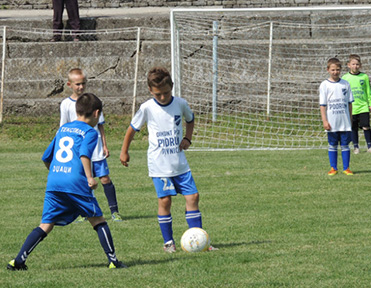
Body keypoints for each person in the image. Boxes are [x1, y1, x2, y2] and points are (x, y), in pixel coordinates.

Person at [7, 93, 127, 270]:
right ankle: (113, 261)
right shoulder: (90, 132)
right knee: (98, 220)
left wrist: (58, 173)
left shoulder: (63, 129)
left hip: (54, 182)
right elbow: (84, 153)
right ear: (96, 113)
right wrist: (89, 178)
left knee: (46, 224)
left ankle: (18, 261)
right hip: (76, 183)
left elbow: (46, 157)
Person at [120, 67, 217, 253]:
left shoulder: (180, 103)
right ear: (150, 91)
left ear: (172, 87)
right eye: (158, 94)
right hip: (159, 165)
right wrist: (124, 151)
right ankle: (168, 243)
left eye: (166, 93)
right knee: (165, 201)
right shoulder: (147, 108)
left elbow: (190, 119)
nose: (163, 97)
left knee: (193, 197)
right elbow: (132, 129)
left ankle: (198, 240)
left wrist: (188, 138)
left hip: (179, 162)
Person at [60, 68, 123, 222]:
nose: (81, 87)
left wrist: (105, 145)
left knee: (105, 179)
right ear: (70, 84)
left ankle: (114, 211)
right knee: (83, 182)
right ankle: (84, 213)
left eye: (83, 84)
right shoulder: (66, 104)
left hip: (96, 149)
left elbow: (100, 125)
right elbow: (63, 127)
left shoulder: (93, 101)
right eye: (77, 84)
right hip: (78, 151)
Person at [319, 58, 354, 176]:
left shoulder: (345, 84)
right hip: (331, 122)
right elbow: (323, 105)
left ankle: (346, 168)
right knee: (332, 144)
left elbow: (349, 104)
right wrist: (324, 121)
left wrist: (350, 119)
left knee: (345, 145)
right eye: (333, 70)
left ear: (341, 70)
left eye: (338, 70)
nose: (335, 72)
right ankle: (333, 168)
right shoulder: (324, 85)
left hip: (344, 121)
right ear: (328, 70)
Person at [342, 54, 371, 154]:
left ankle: (370, 146)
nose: (355, 66)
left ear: (360, 65)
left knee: (366, 126)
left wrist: (370, 103)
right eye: (353, 64)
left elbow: (368, 91)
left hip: (363, 107)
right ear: (348, 65)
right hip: (352, 107)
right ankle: (356, 147)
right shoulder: (345, 78)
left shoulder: (364, 77)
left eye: (357, 64)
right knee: (353, 127)